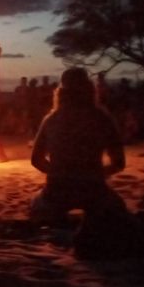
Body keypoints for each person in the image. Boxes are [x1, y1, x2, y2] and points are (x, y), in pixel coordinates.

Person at [30, 67, 130, 254]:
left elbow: (36, 160)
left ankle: (60, 227)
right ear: (89, 88)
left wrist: (58, 171)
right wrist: (95, 173)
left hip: (57, 191)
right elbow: (119, 162)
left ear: (61, 91)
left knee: (35, 204)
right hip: (93, 190)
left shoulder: (51, 119)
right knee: (118, 208)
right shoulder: (102, 118)